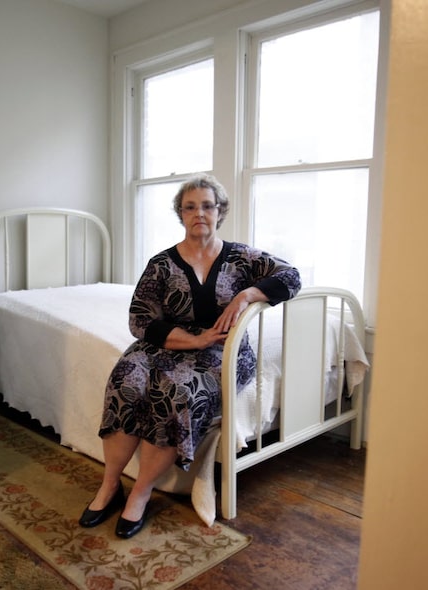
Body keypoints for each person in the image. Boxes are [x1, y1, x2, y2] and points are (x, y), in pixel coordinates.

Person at [78, 173, 301, 538]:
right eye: (190, 207)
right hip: (167, 345)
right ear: (180, 214)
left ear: (220, 211)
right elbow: (139, 319)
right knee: (125, 382)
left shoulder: (243, 258)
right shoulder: (162, 264)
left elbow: (290, 277)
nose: (200, 213)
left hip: (222, 351)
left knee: (176, 393)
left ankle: (140, 492)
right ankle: (109, 484)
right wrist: (190, 340)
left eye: (208, 206)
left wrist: (247, 296)